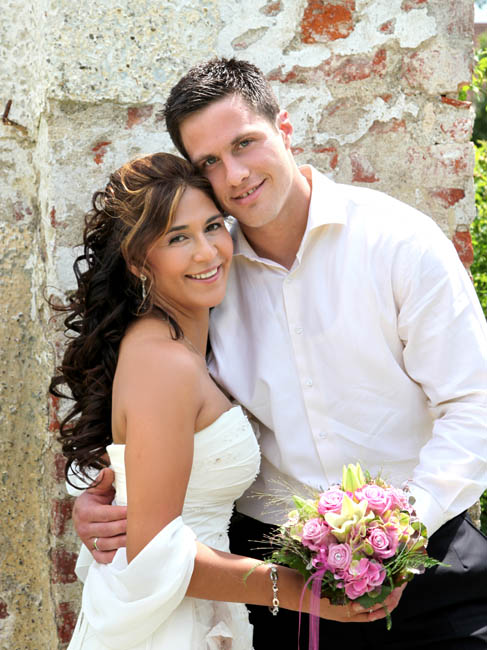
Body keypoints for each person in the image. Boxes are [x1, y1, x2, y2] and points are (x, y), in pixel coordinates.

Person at [72, 59, 487, 649]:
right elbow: (152, 411)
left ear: (284, 128)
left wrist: (397, 532)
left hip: (429, 560)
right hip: (276, 589)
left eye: (245, 143)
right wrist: (106, 497)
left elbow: (474, 405)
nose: (236, 174)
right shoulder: (204, 278)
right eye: (210, 162)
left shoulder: (399, 244)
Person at [52, 152, 395, 650]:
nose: (207, 252)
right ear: (138, 261)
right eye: (178, 238)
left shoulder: (184, 341)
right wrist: (303, 592)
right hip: (166, 625)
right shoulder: (163, 361)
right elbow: (151, 552)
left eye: (213, 226)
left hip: (196, 608)